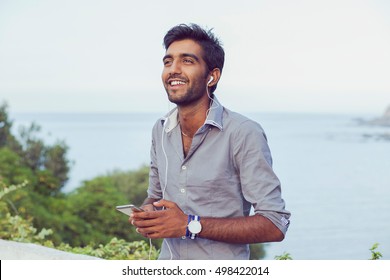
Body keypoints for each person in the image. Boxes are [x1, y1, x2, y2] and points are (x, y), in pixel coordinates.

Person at [130, 23, 290, 260]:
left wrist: (189, 225)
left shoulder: (243, 133)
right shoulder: (160, 130)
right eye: (168, 61)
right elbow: (154, 197)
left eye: (187, 61)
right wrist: (148, 212)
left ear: (212, 76)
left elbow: (275, 224)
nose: (173, 69)